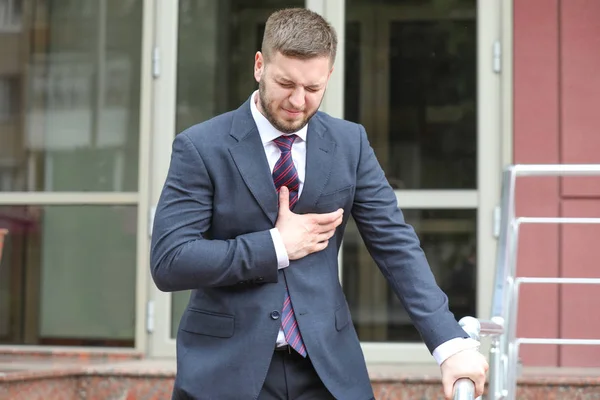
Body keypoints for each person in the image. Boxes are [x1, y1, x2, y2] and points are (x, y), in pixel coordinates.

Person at [150, 7, 488, 400]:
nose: (297, 101)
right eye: (285, 83)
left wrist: (449, 344)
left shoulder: (350, 143)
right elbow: (170, 261)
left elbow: (395, 245)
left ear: (328, 75)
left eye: (313, 88)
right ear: (259, 66)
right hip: (227, 370)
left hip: (328, 370)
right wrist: (276, 246)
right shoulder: (200, 147)